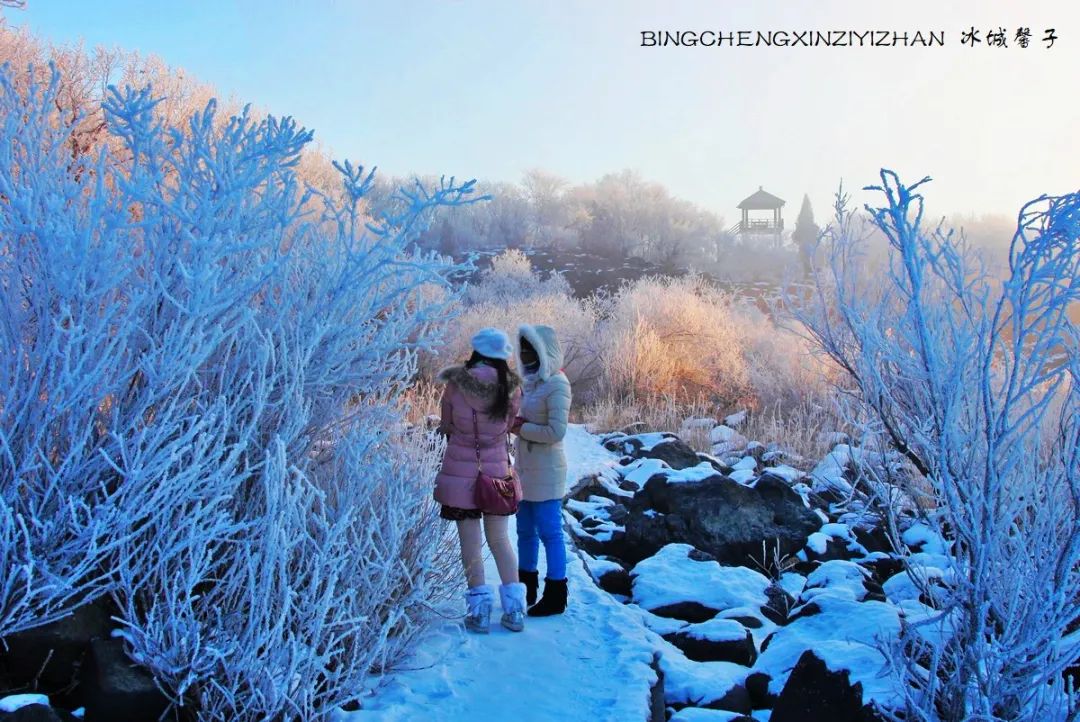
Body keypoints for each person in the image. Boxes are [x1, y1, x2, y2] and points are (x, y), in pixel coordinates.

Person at [433, 328, 528, 633]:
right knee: (500, 540)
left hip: (460, 472)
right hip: (497, 472)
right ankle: (514, 611)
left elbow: (446, 424)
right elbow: (509, 425)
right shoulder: (511, 387)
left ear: (476, 351)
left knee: (470, 545)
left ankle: (480, 612)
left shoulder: (455, 384)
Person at [511, 324, 572, 617]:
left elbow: (556, 431)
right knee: (524, 531)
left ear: (543, 350)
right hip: (525, 469)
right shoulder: (531, 383)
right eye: (522, 348)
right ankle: (526, 588)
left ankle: (556, 595)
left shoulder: (558, 383)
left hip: (547, 471)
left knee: (550, 532)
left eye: (530, 348)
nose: (525, 354)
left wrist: (521, 428)